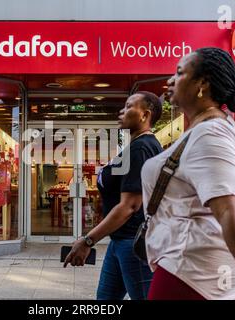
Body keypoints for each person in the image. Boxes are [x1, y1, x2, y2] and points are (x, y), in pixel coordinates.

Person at [141, 47, 235, 300]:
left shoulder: (210, 134)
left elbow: (229, 210)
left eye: (180, 72)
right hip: (197, 268)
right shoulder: (206, 129)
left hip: (191, 272)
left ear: (202, 84)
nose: (170, 80)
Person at [63, 91, 163, 300]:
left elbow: (129, 206)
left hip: (133, 245)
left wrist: (88, 241)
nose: (122, 112)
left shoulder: (141, 148)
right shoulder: (135, 147)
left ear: (145, 115)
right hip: (119, 242)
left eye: (129, 107)